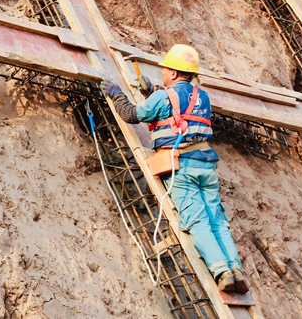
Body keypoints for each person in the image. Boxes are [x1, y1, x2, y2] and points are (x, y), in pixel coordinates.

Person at [101, 44, 249, 293]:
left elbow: (130, 114)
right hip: (206, 165)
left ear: (172, 72)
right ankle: (235, 269)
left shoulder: (163, 96)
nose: (163, 73)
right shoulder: (202, 96)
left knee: (196, 220)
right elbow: (179, 112)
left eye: (165, 69)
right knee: (217, 221)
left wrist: (117, 94)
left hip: (182, 166)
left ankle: (222, 271)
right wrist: (153, 93)